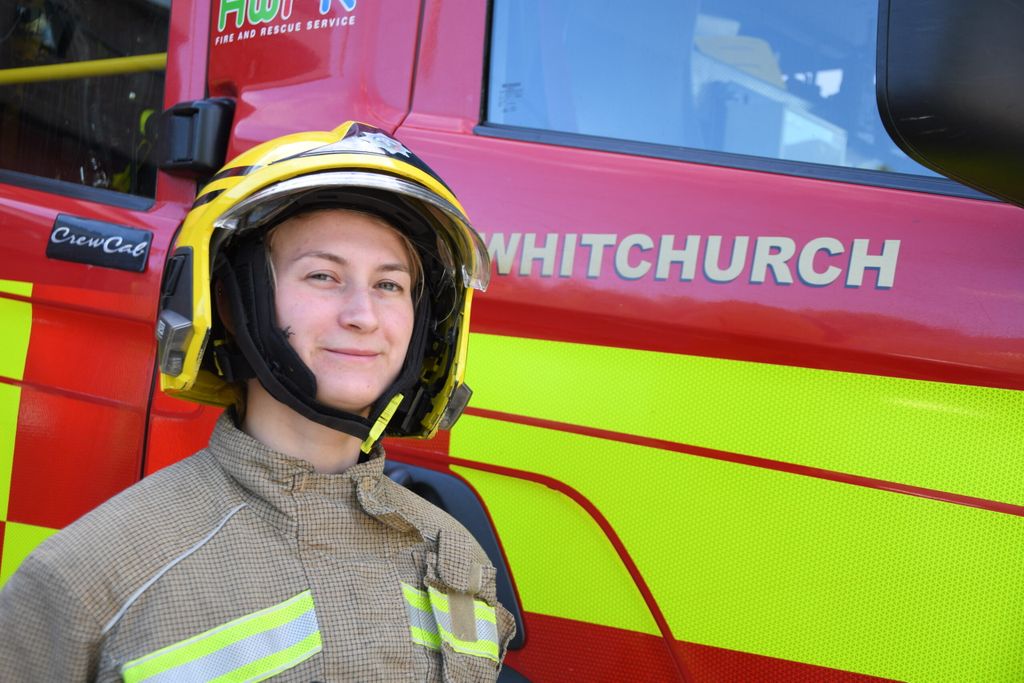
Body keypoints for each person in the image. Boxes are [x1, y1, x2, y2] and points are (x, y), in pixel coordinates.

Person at [0, 122, 515, 681]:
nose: (363, 316)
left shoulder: (455, 556)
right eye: (323, 275)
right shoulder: (88, 583)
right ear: (230, 299)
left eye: (389, 285)